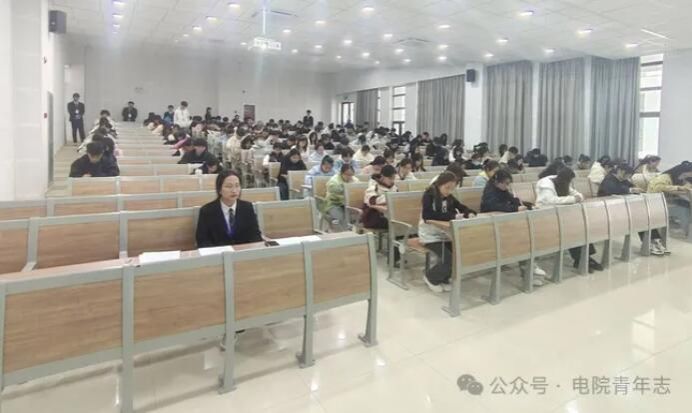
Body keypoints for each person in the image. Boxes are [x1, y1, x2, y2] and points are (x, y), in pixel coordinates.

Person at [419, 171, 477, 292]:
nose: (449, 191)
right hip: (430, 236)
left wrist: (469, 212)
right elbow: (427, 216)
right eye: (447, 187)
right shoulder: (429, 196)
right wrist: (453, 216)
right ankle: (430, 278)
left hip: (445, 234)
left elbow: (460, 206)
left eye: (452, 188)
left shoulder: (448, 197)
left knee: (457, 255)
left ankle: (443, 278)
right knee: (448, 259)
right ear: (439, 184)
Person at [536, 168, 603, 273]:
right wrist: (573, 199)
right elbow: (550, 201)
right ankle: (581, 259)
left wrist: (578, 197)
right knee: (571, 231)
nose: (570, 184)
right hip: (545, 217)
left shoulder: (564, 183)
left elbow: (578, 194)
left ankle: (585, 257)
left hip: (561, 215)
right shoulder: (546, 184)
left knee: (580, 228)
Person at [597, 164, 668, 256]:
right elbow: (615, 190)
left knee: (646, 217)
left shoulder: (623, 180)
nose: (627, 178)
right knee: (641, 219)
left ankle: (655, 240)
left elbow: (630, 186)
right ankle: (650, 243)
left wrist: (636, 189)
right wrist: (631, 190)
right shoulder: (609, 179)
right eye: (627, 175)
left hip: (621, 208)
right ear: (621, 171)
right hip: (608, 210)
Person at [196, 170, 262, 247]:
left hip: (244, 252)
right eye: (229, 186)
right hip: (218, 253)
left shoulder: (247, 207)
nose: (234, 190)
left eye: (237, 186)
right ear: (219, 190)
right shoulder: (207, 211)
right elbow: (202, 241)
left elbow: (255, 236)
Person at [362, 164, 398, 230]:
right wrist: (390, 198)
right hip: (373, 216)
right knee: (396, 222)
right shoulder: (373, 186)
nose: (392, 181)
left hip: (388, 213)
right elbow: (372, 201)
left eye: (393, 178)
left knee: (402, 220)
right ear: (382, 176)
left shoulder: (394, 187)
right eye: (390, 178)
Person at [325, 164, 359, 231]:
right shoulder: (334, 182)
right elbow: (335, 196)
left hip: (348, 204)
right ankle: (346, 233)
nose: (349, 177)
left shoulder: (354, 180)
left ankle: (352, 231)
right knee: (341, 217)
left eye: (351, 175)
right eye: (347, 174)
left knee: (359, 214)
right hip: (334, 203)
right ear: (341, 173)